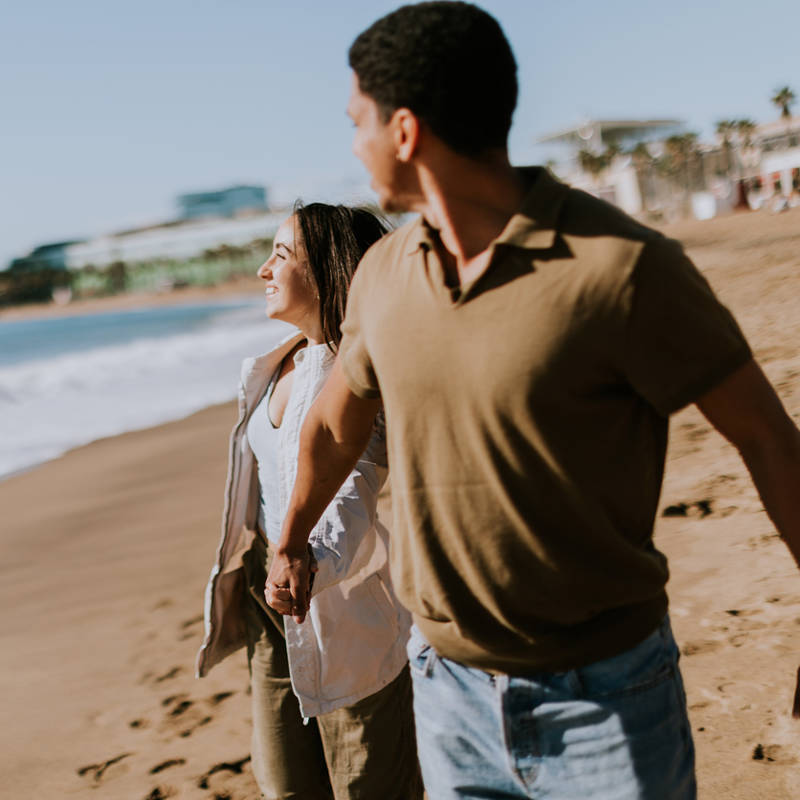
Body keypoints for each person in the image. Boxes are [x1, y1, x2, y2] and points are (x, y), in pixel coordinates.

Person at [266, 3, 800, 799]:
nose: (353, 144)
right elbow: (334, 428)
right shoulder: (382, 278)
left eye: (358, 122)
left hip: (607, 701)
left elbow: (765, 435)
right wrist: (292, 538)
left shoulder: (619, 266)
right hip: (446, 693)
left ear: (404, 130)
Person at [197, 202, 422, 800]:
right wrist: (267, 566)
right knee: (284, 783)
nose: (262, 270)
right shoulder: (273, 364)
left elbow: (350, 497)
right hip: (264, 591)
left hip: (339, 600)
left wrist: (302, 560)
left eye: (281, 254)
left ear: (328, 270)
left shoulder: (355, 378)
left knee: (370, 784)